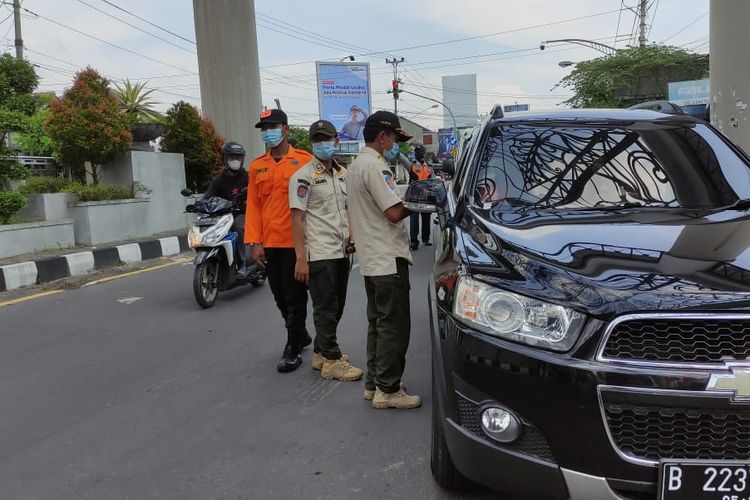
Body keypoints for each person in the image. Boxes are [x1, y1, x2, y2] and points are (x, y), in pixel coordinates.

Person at [345, 110, 421, 410]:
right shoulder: (377, 168)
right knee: (394, 326)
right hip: (388, 258)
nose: (396, 144)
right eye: (395, 138)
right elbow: (393, 213)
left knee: (378, 324)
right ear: (382, 136)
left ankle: (375, 383)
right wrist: (417, 198)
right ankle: (388, 391)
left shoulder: (355, 166)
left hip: (371, 259)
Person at [289, 120, 362, 382]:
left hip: (341, 251)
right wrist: (300, 258)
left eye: (327, 139)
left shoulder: (343, 174)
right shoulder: (303, 176)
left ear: (336, 141)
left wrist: (352, 237)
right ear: (311, 144)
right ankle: (332, 360)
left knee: (337, 306)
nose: (323, 144)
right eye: (317, 140)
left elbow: (348, 210)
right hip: (319, 252)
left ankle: (320, 352)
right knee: (325, 307)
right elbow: (296, 219)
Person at [245, 109, 313, 373]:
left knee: (295, 298)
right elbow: (254, 207)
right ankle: (301, 335)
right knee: (279, 297)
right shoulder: (257, 166)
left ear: (286, 129)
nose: (268, 132)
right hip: (270, 243)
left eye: (273, 126)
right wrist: (255, 242)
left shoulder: (305, 161)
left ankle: (292, 347)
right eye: (264, 128)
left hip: (296, 244)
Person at [204, 141, 249, 275]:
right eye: (232, 157)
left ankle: (242, 262)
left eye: (238, 158)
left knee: (236, 228)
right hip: (223, 216)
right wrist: (199, 204)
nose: (235, 160)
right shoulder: (219, 179)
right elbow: (208, 196)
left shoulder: (248, 177)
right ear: (224, 159)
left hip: (242, 213)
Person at [408, 144, 433, 250]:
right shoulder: (412, 165)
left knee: (426, 219)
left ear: (424, 153)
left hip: (426, 196)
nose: (419, 154)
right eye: (417, 152)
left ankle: (426, 239)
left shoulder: (428, 166)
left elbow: (432, 180)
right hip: (414, 196)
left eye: (421, 152)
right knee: (414, 220)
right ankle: (414, 241)